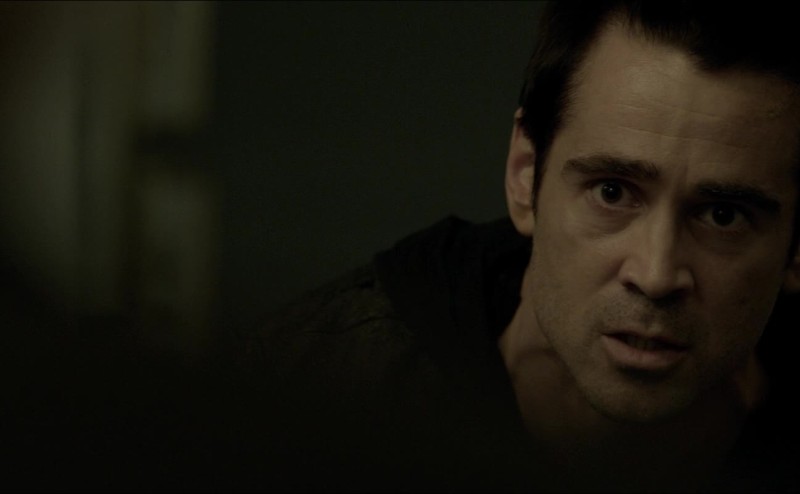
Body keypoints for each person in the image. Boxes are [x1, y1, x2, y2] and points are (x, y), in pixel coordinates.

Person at [244, 1, 800, 491]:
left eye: (723, 216)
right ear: (524, 174)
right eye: (611, 192)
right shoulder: (306, 398)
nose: (655, 274)